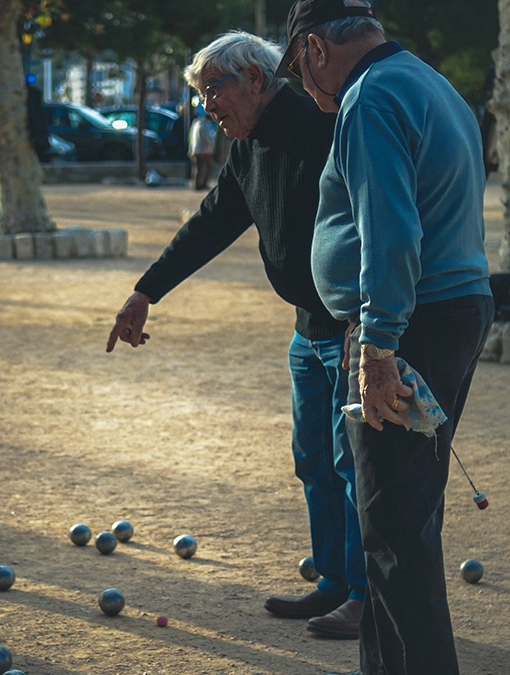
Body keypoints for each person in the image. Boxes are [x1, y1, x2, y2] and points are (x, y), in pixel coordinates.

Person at [107, 30, 366, 638]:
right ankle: (331, 580)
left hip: (351, 326)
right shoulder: (248, 145)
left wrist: (368, 321)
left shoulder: (322, 126)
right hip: (308, 331)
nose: (206, 108)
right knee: (313, 461)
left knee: (350, 464)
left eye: (211, 91)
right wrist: (148, 290)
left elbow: (370, 221)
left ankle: (362, 593)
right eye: (199, 97)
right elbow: (214, 219)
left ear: (255, 78)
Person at [279, 1, 493, 672]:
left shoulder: (369, 96)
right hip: (451, 307)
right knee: (402, 521)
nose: (306, 88)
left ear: (315, 48)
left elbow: (391, 232)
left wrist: (377, 346)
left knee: (394, 531)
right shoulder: (427, 81)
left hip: (413, 319)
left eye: (298, 68)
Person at [186, 106, 215, 189]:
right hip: (203, 150)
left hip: (194, 149)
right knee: (208, 166)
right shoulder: (206, 125)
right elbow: (208, 138)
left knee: (197, 167)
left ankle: (196, 183)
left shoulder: (196, 123)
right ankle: (203, 183)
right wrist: (208, 149)